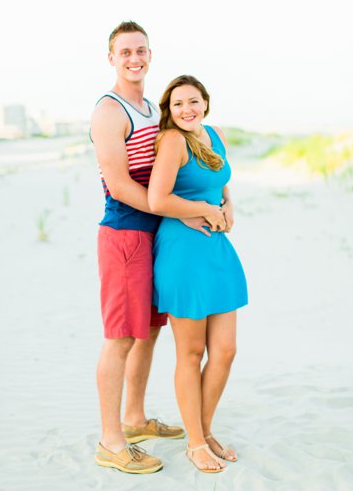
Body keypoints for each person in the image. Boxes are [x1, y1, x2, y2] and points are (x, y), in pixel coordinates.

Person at [90, 21, 225, 475]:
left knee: (149, 332)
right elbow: (118, 183)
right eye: (125, 51)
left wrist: (194, 206)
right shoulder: (109, 111)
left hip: (157, 236)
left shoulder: (151, 107)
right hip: (126, 234)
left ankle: (134, 418)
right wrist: (179, 209)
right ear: (111, 57)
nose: (134, 58)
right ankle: (111, 441)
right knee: (121, 336)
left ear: (150, 55)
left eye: (141, 50)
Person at [147, 75, 248, 473]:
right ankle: (194, 443)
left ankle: (204, 432)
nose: (186, 110)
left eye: (193, 101)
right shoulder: (173, 141)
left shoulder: (215, 134)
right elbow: (158, 198)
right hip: (182, 252)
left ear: (205, 102)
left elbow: (220, 183)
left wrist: (226, 204)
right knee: (191, 353)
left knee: (225, 351)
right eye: (177, 105)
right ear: (168, 112)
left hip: (216, 250)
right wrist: (202, 211)